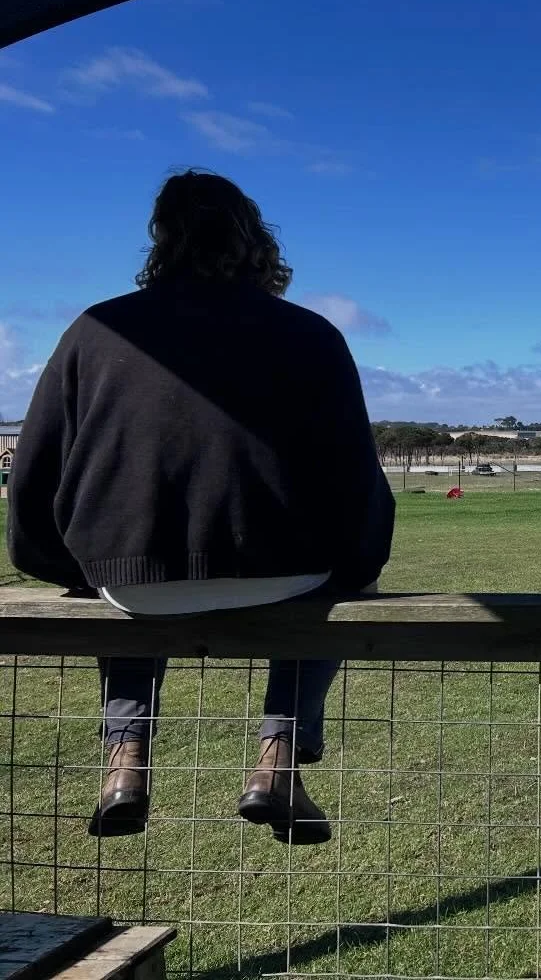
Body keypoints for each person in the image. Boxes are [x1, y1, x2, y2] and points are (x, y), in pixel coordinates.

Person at [5, 169, 394, 844]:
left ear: (161, 236)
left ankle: (126, 762)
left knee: (135, 563)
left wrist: (68, 567)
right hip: (289, 576)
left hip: (130, 583)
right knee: (343, 585)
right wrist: (357, 566)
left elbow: (35, 471)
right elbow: (355, 481)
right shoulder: (311, 334)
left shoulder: (96, 331)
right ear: (255, 239)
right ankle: (277, 759)